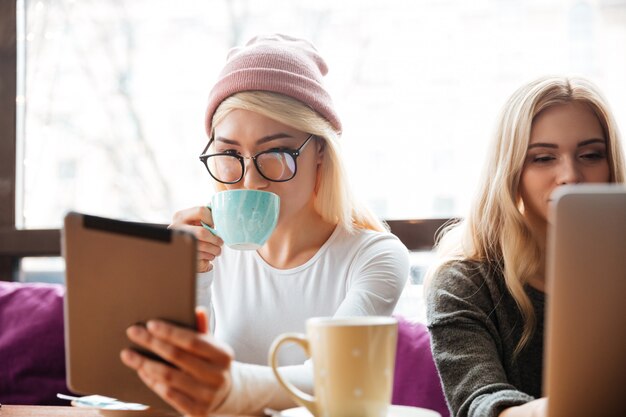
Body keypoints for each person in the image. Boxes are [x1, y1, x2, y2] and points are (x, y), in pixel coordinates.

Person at [120, 34, 410, 416]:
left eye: (274, 152)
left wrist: (228, 388)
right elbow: (176, 386)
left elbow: (334, 376)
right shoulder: (206, 249)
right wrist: (184, 279)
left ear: (320, 151)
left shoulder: (374, 257)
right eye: (229, 154)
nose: (250, 181)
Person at [425, 76, 626, 417]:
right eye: (544, 158)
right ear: (512, 169)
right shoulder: (465, 283)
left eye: (591, 155)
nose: (570, 175)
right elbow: (481, 403)